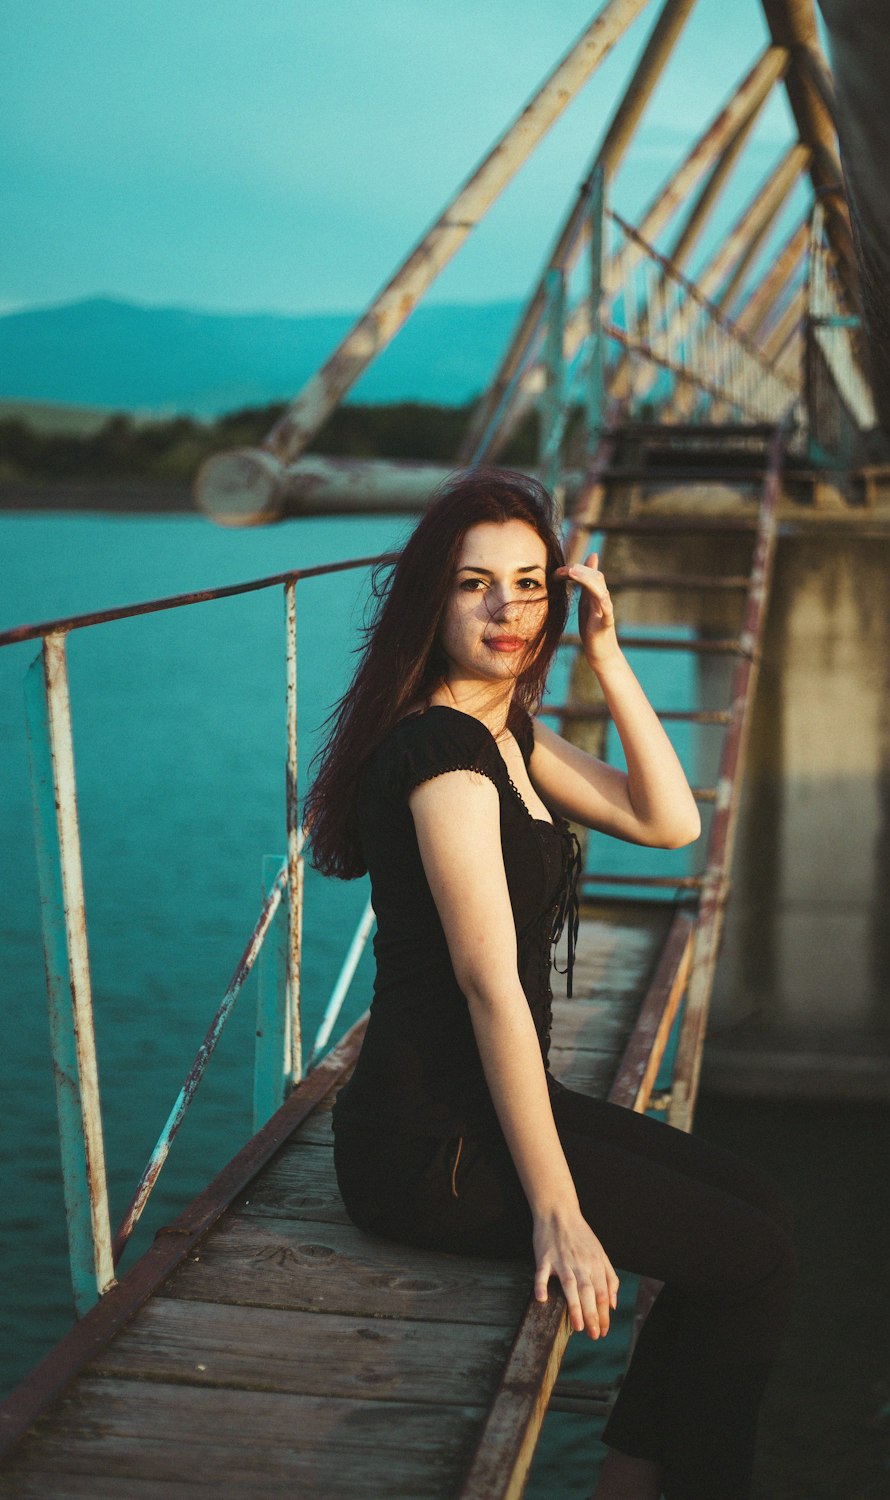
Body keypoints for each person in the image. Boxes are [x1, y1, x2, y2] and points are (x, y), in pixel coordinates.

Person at [304, 466, 796, 1500]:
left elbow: (668, 823)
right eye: (475, 583)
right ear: (428, 599)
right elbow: (488, 985)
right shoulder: (439, 751)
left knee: (760, 1214)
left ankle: (636, 1474)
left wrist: (607, 659)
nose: (506, 609)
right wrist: (556, 1209)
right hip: (425, 1144)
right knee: (747, 1257)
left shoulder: (502, 733)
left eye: (530, 584)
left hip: (480, 1110)